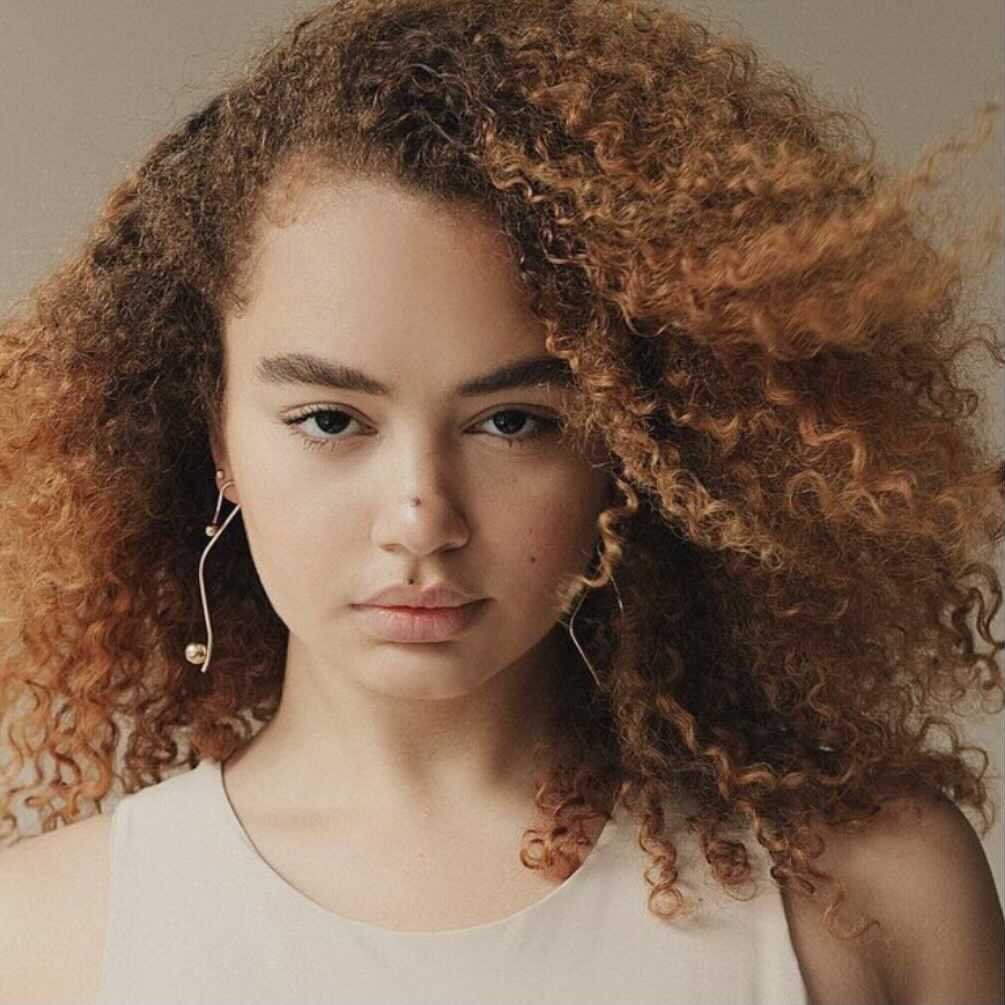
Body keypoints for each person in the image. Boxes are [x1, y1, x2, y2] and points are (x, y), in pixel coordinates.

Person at [0, 0, 1003, 1002]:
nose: (421, 519)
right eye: (331, 419)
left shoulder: (872, 895)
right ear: (217, 435)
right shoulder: (44, 939)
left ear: (636, 442)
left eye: (512, 421)